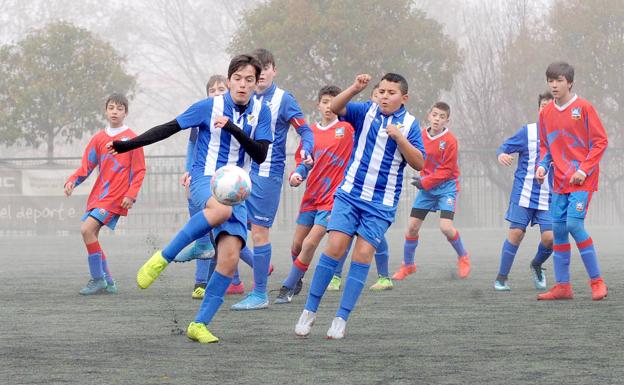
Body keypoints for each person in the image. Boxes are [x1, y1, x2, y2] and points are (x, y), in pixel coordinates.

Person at [108, 54, 273, 343]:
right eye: (237, 78)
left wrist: (232, 127)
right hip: (205, 179)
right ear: (229, 79)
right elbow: (170, 127)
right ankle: (163, 257)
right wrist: (127, 145)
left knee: (229, 259)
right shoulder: (209, 106)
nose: (243, 85)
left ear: (256, 82)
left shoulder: (262, 111)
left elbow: (260, 153)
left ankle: (199, 324)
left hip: (237, 189)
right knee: (219, 212)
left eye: (249, 79)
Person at [295, 73, 425, 339]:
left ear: (404, 98)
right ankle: (309, 310)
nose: (385, 96)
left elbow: (420, 163)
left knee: (363, 255)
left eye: (391, 93)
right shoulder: (365, 111)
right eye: (382, 92)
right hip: (349, 195)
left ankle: (341, 318)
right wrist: (355, 87)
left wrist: (400, 138)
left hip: (381, 203)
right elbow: (335, 107)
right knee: (334, 248)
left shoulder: (410, 124)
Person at [231, 48, 314, 311]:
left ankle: (259, 294)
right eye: (258, 70)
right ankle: (259, 266)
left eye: (267, 68)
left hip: (267, 175)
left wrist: (306, 155)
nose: (262, 73)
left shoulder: (283, 100)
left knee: (258, 232)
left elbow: (305, 131)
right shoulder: (243, 98)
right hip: (241, 173)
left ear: (274, 71)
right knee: (223, 223)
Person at [274, 85, 355, 304]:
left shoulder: (348, 129)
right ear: (318, 105)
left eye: (334, 102)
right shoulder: (310, 132)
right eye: (325, 101)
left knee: (310, 243)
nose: (329, 106)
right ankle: (297, 278)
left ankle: (287, 287)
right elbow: (303, 161)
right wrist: (297, 175)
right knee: (297, 245)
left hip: (332, 199)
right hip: (311, 196)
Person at [535, 61, 608, 301]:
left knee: (574, 225)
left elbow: (600, 142)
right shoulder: (545, 112)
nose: (554, 85)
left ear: (570, 82)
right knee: (558, 230)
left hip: (582, 180)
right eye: (551, 80)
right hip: (559, 181)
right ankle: (563, 286)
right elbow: (546, 147)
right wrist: (542, 167)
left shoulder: (584, 107)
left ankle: (597, 282)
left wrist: (584, 170)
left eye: (559, 81)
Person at [65, 93, 145, 295]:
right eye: (111, 107)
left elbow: (139, 170)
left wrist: (131, 194)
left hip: (116, 197)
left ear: (125, 112)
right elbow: (87, 166)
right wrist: (72, 181)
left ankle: (98, 279)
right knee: (92, 235)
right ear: (106, 111)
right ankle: (109, 281)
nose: (115, 111)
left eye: (119, 108)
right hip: (99, 196)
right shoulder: (99, 139)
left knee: (86, 230)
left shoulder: (133, 139)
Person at [327, 82, 394, 292]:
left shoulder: (391, 128)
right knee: (342, 236)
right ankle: (335, 277)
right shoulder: (359, 120)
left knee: (374, 239)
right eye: (376, 95)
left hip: (375, 194)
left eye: (385, 94)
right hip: (352, 186)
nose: (380, 99)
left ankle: (384, 276)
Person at [392, 102, 470, 281]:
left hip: (446, 188)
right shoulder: (420, 135)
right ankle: (408, 265)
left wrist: (425, 181)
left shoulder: (450, 141)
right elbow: (409, 151)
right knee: (411, 227)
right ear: (429, 116)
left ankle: (463, 257)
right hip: (427, 189)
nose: (437, 119)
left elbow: (447, 170)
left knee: (446, 227)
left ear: (447, 121)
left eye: (442, 117)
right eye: (435, 115)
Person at [173, 75, 228, 300]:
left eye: (220, 88)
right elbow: (192, 147)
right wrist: (189, 171)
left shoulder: (236, 117)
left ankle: (235, 275)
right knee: (203, 232)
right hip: (204, 179)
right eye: (212, 90)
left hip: (226, 183)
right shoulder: (202, 118)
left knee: (225, 233)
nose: (216, 92)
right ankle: (201, 283)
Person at [493, 91, 554, 291]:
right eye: (543, 106)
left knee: (550, 238)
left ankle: (536, 265)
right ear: (539, 110)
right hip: (524, 192)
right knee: (516, 233)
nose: (547, 109)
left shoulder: (562, 136)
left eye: (551, 106)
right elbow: (503, 148)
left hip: (549, 195)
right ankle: (501, 279)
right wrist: (501, 155)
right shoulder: (527, 132)